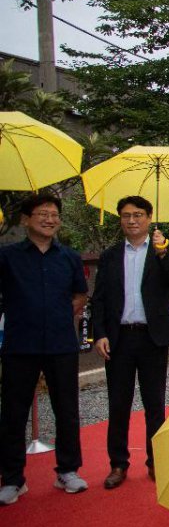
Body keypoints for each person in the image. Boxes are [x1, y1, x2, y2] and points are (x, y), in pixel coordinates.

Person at [90, 195, 169, 490]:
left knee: (155, 404)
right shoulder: (109, 256)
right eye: (126, 216)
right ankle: (118, 464)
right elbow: (100, 299)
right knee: (118, 404)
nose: (131, 221)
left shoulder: (163, 251)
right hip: (119, 337)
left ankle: (156, 460)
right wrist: (100, 333)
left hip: (152, 337)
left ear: (148, 218)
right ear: (120, 219)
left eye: (138, 215)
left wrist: (163, 254)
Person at [0, 194, 89, 505]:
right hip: (20, 343)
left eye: (54, 214)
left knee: (67, 408)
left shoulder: (69, 258)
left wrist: (62, 315)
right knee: (13, 412)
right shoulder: (8, 257)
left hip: (61, 343)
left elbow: (80, 295)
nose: (50, 219)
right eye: (42, 214)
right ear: (26, 219)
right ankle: (12, 478)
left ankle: (67, 470)